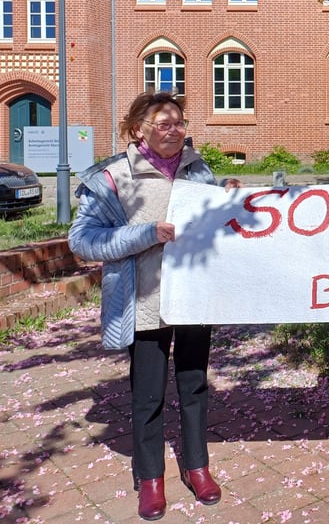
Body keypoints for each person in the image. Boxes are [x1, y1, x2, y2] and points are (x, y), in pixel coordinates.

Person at [69, 92, 239, 521]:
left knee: (194, 386)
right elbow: (83, 241)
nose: (174, 130)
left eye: (179, 122)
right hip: (142, 303)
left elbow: (211, 223)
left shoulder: (197, 169)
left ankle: (197, 468)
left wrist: (227, 198)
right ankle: (150, 480)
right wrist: (147, 233)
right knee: (147, 395)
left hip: (194, 298)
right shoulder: (112, 178)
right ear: (138, 130)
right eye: (164, 123)